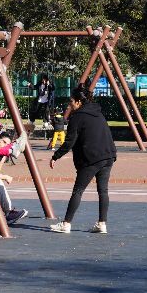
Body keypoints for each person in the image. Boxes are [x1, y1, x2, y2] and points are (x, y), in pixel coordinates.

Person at [49, 85, 117, 234]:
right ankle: (102, 224)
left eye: (71, 101)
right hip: (108, 155)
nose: (70, 105)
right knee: (103, 191)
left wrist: (56, 156)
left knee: (78, 191)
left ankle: (66, 224)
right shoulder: (98, 113)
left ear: (79, 102)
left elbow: (69, 142)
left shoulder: (77, 117)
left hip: (92, 158)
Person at [0, 131, 29, 225]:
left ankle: (16, 147)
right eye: (3, 142)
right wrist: (5, 177)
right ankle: (8, 212)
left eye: (7, 144)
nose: (4, 145)